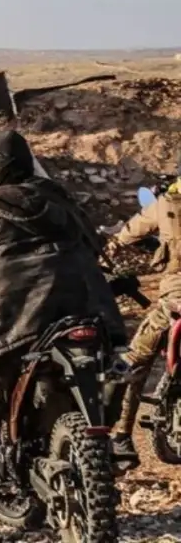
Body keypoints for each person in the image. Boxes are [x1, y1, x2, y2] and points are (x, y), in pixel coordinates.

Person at [0, 131, 125, 543]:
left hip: (13, 320)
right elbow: (95, 246)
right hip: (84, 310)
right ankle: (106, 456)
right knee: (106, 376)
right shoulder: (60, 199)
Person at [106, 175, 181, 467]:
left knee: (133, 361)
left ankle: (121, 435)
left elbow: (128, 234)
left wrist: (104, 255)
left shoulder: (166, 203)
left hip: (175, 299)